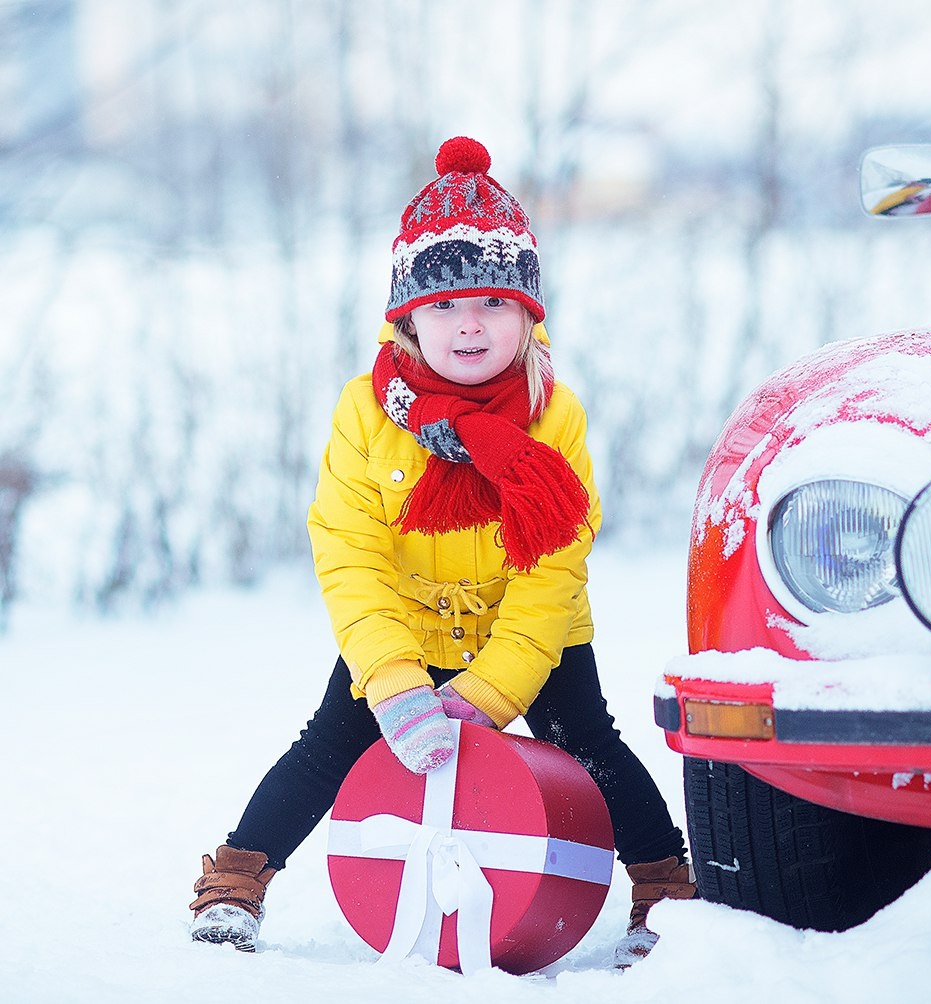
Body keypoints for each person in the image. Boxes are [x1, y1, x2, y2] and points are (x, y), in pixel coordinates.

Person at [188, 136, 695, 968]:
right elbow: (349, 550)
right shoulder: (365, 413)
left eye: (494, 304)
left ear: (529, 315)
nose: (469, 324)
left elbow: (555, 564)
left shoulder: (553, 418)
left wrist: (493, 693)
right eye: (446, 304)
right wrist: (391, 683)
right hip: (405, 630)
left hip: (532, 630)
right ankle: (236, 880)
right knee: (329, 743)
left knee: (588, 742)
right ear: (408, 318)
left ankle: (666, 885)